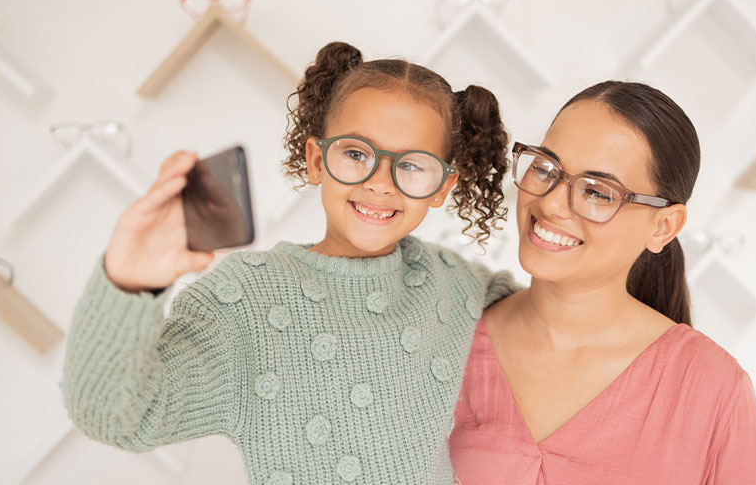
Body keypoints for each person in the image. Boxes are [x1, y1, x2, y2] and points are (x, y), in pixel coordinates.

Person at [61, 41, 520, 485]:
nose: (381, 184)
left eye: (413, 165)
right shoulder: (246, 299)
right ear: (318, 159)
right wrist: (128, 285)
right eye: (357, 154)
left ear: (442, 185)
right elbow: (114, 418)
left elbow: (552, 323)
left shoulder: (456, 282)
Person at [449, 81, 756, 484]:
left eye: (597, 192)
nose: (551, 203)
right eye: (545, 168)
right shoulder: (444, 338)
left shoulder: (712, 388)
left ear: (663, 227)